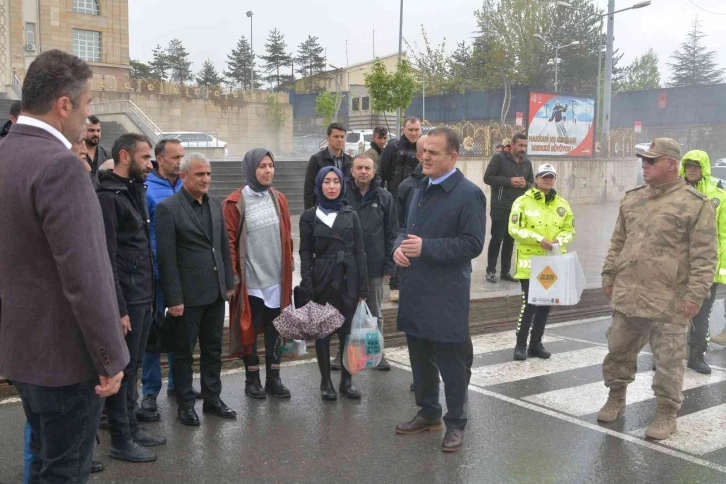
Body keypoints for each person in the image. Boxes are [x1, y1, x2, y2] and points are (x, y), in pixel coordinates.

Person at [0, 49, 128, 482]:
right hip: (66, 362)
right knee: (64, 472)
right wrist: (110, 358)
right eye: (88, 103)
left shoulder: (5, 154)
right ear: (64, 105)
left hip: (22, 352)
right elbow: (86, 278)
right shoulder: (60, 166)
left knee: (44, 463)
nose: (89, 114)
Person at [599, 138, 717, 441]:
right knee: (618, 351)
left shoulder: (696, 205)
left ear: (671, 164)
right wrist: (609, 274)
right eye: (643, 160)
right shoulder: (632, 199)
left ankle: (666, 413)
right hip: (629, 294)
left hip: (670, 300)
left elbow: (705, 256)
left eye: (652, 160)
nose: (645, 165)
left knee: (668, 362)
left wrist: (695, 295)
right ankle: (616, 397)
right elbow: (618, 242)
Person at [393, 127, 486, 453]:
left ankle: (456, 422)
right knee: (419, 358)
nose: (425, 156)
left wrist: (426, 248)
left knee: (451, 362)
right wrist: (397, 250)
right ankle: (429, 412)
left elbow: (473, 244)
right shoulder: (419, 188)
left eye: (433, 152)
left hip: (447, 295)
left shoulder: (468, 193)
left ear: (453, 156)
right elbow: (405, 232)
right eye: (423, 151)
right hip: (416, 289)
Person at [94, 133, 167, 463]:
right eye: (144, 157)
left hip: (143, 293)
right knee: (123, 368)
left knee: (134, 366)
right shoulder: (108, 196)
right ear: (125, 156)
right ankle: (120, 439)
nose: (150, 163)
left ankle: (132, 428)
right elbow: (109, 256)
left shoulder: (134, 189)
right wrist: (119, 307)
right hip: (128, 297)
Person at [155, 152, 237, 426]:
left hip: (214, 293)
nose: (205, 179)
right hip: (187, 298)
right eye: (199, 174)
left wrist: (228, 283)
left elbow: (223, 246)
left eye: (208, 174)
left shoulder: (215, 204)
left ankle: (213, 399)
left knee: (213, 350)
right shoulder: (168, 209)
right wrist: (174, 298)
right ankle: (185, 404)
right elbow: (166, 258)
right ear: (183, 176)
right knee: (183, 353)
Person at [139, 138, 202, 422]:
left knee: (183, 332)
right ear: (159, 159)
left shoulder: (186, 187)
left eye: (182, 156)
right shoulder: (147, 190)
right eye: (175, 157)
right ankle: (150, 392)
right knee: (153, 335)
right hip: (156, 275)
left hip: (185, 274)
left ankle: (180, 384)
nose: (180, 161)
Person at [223, 148, 295, 399]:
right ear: (250, 169)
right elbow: (229, 243)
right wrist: (233, 278)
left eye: (271, 165)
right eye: (262, 166)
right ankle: (252, 380)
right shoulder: (235, 202)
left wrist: (290, 269)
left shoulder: (279, 199)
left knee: (276, 330)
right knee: (249, 330)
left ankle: (274, 378)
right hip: (251, 282)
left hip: (276, 280)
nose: (268, 171)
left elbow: (286, 237)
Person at [299, 166, 369, 401]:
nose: (331, 186)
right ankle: (326, 381)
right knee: (323, 334)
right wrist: (307, 283)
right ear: (319, 185)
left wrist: (363, 287)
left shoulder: (351, 214)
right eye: (326, 182)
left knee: (348, 334)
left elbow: (360, 252)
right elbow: (306, 253)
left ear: (342, 185)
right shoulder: (309, 216)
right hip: (322, 279)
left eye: (335, 182)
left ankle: (347, 381)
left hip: (348, 279)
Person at [508, 163, 575, 361]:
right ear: (535, 179)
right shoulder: (522, 202)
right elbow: (514, 229)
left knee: (546, 303)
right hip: (530, 261)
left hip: (552, 261)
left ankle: (536, 344)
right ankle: (520, 344)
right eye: (544, 176)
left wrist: (558, 241)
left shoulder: (562, 203)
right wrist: (539, 240)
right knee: (529, 302)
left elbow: (569, 229)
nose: (547, 179)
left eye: (551, 176)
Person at [344, 154, 399, 371]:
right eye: (359, 167)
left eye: (367, 168)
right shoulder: (342, 195)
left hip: (375, 266)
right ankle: (345, 353)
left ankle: (377, 353)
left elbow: (392, 233)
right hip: (347, 267)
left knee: (375, 314)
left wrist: (389, 265)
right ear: (352, 170)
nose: (363, 171)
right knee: (345, 312)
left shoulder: (385, 197)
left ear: (374, 172)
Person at [679, 150, 726, 374]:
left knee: (701, 315)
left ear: (704, 168)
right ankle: (666, 356)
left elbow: (724, 234)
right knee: (671, 314)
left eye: (696, 166)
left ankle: (697, 356)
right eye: (688, 166)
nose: (692, 170)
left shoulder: (719, 194)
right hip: (676, 266)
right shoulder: (675, 192)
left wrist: (721, 269)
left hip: (706, 268)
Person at [483, 133, 534, 284]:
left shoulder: (527, 163)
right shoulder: (499, 158)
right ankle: (491, 271)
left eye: (525, 146)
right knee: (497, 238)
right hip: (500, 205)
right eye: (520, 145)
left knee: (510, 240)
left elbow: (532, 183)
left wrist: (525, 184)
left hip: (518, 209)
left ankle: (505, 271)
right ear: (512, 145)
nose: (522, 149)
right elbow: (487, 178)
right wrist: (509, 181)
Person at [304, 122, 352, 209]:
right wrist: (310, 212)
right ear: (328, 138)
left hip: (344, 210)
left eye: (342, 137)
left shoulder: (350, 160)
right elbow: (309, 189)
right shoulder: (316, 159)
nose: (340, 140)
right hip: (322, 209)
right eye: (336, 136)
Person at [378, 116, 421, 199]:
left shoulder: (425, 148)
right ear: (403, 130)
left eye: (416, 130)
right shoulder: (392, 147)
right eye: (410, 130)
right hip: (394, 198)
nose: (413, 133)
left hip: (417, 198)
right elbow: (381, 175)